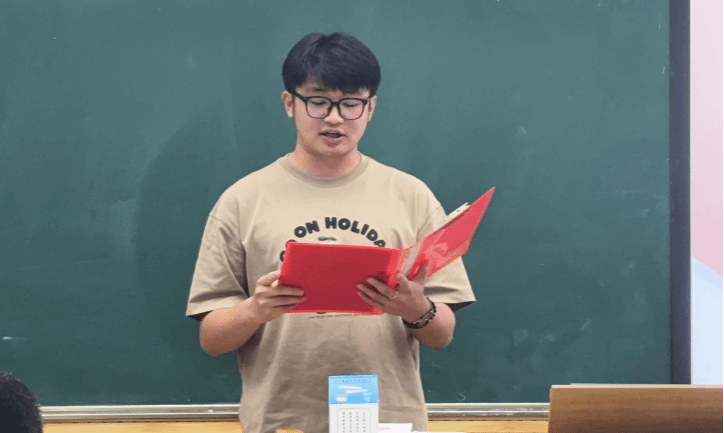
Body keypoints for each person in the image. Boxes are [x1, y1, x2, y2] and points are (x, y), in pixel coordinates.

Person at [186, 32, 475, 433]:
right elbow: (211, 339)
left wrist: (414, 308)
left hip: (387, 419)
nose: (335, 118)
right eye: (318, 101)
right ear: (290, 103)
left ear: (371, 107)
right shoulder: (242, 200)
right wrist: (255, 309)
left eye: (351, 103)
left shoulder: (412, 197)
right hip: (283, 420)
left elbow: (442, 334)